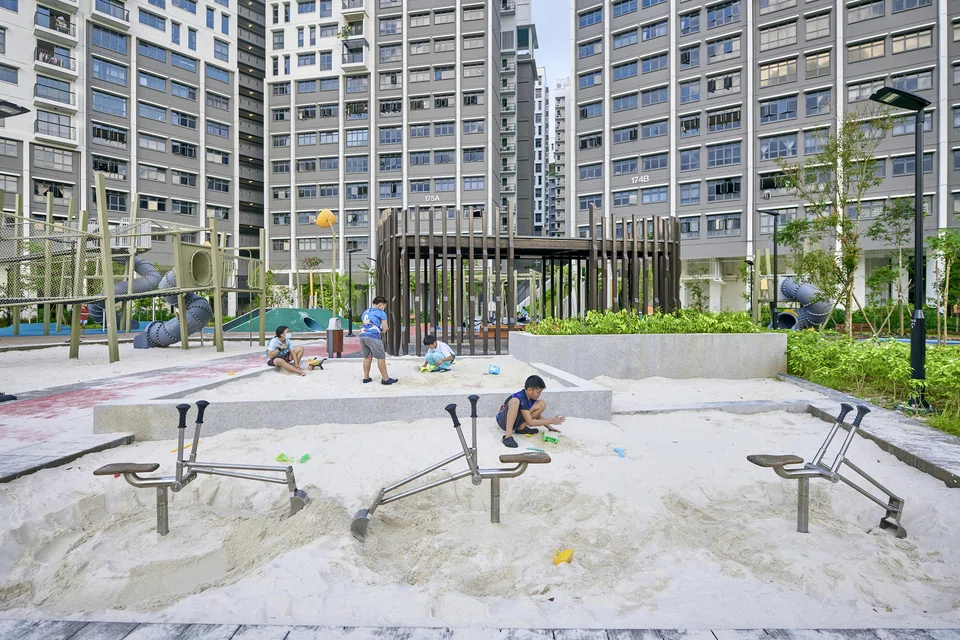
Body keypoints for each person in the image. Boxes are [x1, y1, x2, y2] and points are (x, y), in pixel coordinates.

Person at [495, 375, 564, 448]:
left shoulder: (530, 397)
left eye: (540, 392)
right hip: (503, 421)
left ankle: (521, 428)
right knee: (515, 401)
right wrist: (551, 421)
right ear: (529, 390)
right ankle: (508, 436)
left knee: (541, 404)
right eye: (538, 392)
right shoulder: (521, 398)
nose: (539, 395)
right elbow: (530, 422)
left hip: (515, 420)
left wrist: (550, 428)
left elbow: (537, 415)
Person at [360, 296, 398, 385]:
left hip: (362, 335)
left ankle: (366, 377)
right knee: (381, 357)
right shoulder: (381, 313)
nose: (384, 308)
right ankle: (385, 378)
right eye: (384, 306)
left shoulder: (366, 311)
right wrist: (384, 330)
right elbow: (384, 327)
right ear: (380, 305)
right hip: (373, 336)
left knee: (367, 357)